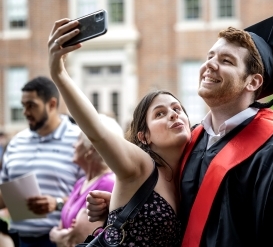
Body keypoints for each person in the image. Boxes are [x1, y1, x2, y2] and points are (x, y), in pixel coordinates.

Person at [86, 16, 273, 246]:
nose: (210, 65)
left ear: (253, 82)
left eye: (226, 61)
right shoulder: (193, 141)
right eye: (210, 57)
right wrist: (131, 206)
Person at [48, 18, 191, 246]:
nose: (173, 114)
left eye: (177, 109)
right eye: (160, 114)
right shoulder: (141, 164)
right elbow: (98, 133)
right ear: (144, 136)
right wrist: (59, 74)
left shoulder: (187, 173)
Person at [0, 76, 83, 247]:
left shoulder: (79, 140)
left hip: (60, 240)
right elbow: (3, 194)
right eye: (24, 106)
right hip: (18, 239)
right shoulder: (16, 142)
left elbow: (93, 192)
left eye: (32, 105)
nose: (25, 112)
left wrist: (58, 203)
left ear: (52, 104)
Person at [49, 114, 122, 247]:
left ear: (92, 149)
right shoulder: (81, 182)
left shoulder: (107, 184)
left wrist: (58, 235)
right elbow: (64, 230)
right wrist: (58, 235)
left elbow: (80, 238)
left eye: (78, 140)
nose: (74, 145)